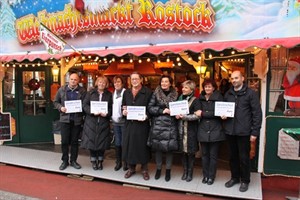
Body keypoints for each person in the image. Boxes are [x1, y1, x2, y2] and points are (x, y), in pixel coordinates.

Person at [223, 71, 262, 192]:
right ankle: (234, 177)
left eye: (236, 78)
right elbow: (224, 109)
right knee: (232, 157)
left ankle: (245, 180)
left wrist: (255, 132)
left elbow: (257, 114)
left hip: (244, 132)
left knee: (244, 158)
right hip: (230, 131)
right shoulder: (228, 93)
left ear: (242, 79)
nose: (234, 80)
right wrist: (222, 116)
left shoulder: (251, 94)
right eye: (232, 78)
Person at [122, 72, 153, 180]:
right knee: (130, 146)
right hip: (130, 124)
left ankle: (144, 169)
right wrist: (124, 111)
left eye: (136, 79)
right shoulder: (126, 92)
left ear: (141, 80)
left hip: (142, 124)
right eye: (132, 79)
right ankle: (131, 168)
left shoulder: (148, 92)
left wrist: (147, 116)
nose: (134, 81)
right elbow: (123, 105)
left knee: (142, 146)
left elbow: (151, 108)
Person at [148, 75, 178, 182]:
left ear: (170, 83)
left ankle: (168, 170)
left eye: (166, 81)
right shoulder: (155, 94)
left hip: (171, 125)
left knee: (169, 149)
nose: (164, 83)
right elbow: (150, 108)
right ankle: (159, 169)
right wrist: (162, 111)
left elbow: (180, 108)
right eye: (162, 82)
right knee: (158, 148)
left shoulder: (176, 94)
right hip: (158, 125)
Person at [53, 72, 86, 170]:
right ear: (69, 79)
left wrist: (81, 109)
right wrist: (61, 107)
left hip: (76, 120)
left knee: (74, 142)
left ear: (78, 81)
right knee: (64, 141)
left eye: (75, 79)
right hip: (65, 120)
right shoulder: (62, 90)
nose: (73, 81)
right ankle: (64, 161)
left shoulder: (82, 91)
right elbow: (55, 102)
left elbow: (85, 104)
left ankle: (73, 161)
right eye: (71, 79)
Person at [197, 78, 225, 185]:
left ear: (213, 88)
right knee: (204, 155)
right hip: (203, 129)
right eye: (206, 86)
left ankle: (211, 176)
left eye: (210, 86)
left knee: (213, 155)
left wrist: (204, 114)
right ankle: (205, 175)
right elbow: (197, 112)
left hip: (215, 130)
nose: (207, 88)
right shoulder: (200, 98)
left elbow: (218, 113)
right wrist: (204, 113)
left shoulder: (219, 97)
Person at [81, 75, 113, 170]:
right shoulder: (90, 93)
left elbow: (111, 108)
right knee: (92, 141)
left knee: (102, 142)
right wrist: (91, 111)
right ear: (97, 83)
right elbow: (85, 105)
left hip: (103, 121)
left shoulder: (109, 94)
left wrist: (107, 114)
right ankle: (93, 160)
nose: (101, 84)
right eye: (100, 82)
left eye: (103, 82)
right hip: (91, 121)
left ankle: (100, 161)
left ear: (106, 84)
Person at [176, 80, 201, 182]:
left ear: (191, 89)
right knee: (183, 153)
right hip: (181, 130)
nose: (183, 89)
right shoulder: (180, 99)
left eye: (186, 88)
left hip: (191, 131)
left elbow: (197, 116)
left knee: (190, 153)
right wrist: (176, 115)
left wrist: (184, 117)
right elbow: (176, 112)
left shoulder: (196, 100)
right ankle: (185, 171)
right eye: (183, 87)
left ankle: (190, 173)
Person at [111, 75, 128, 171]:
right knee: (117, 142)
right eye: (115, 82)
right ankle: (118, 162)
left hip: (124, 121)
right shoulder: (112, 93)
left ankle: (125, 161)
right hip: (115, 121)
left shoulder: (126, 92)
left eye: (118, 82)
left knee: (124, 142)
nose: (116, 84)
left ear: (122, 83)